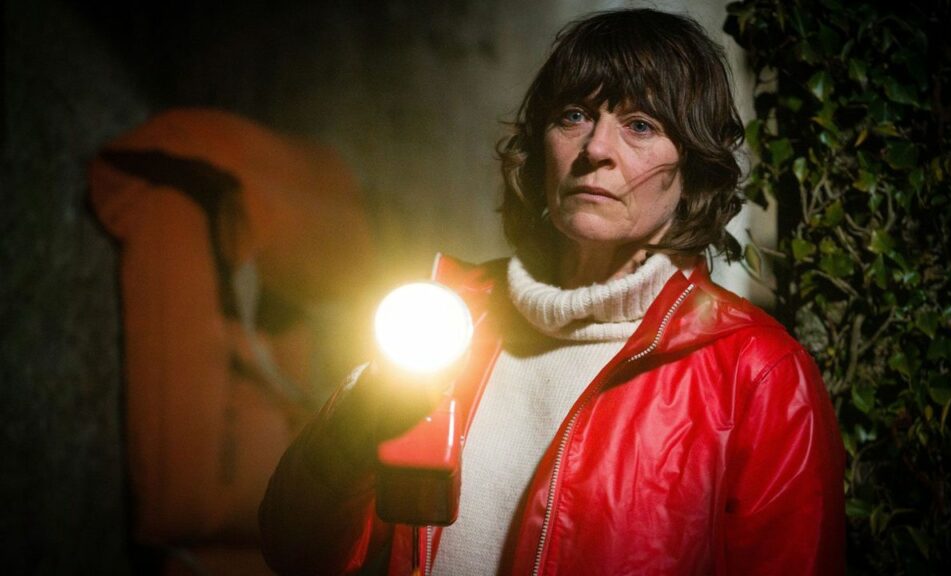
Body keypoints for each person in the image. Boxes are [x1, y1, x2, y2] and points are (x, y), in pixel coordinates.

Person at [259, 9, 845, 576]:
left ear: (692, 169)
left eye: (640, 125)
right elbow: (295, 549)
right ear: (541, 145)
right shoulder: (446, 321)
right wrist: (358, 421)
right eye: (573, 116)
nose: (596, 149)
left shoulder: (755, 373)